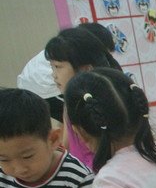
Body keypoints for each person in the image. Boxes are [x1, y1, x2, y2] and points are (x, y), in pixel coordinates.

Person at [44, 26, 122, 170]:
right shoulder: (69, 101)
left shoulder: (104, 101)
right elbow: (66, 145)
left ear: (85, 69)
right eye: (52, 67)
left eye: (58, 67)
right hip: (82, 172)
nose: (53, 75)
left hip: (102, 172)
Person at [20, 22, 116, 123]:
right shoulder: (63, 63)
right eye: (104, 53)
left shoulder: (70, 55)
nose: (53, 74)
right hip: (39, 90)